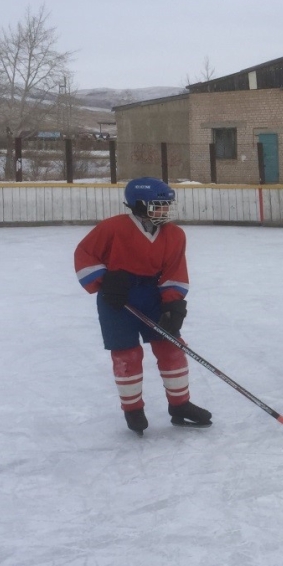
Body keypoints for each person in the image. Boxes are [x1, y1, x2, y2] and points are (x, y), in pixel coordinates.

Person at [74, 177, 212, 436]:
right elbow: (85, 255)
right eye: (159, 205)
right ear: (139, 204)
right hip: (117, 299)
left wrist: (173, 303)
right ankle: (133, 409)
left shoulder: (174, 234)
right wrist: (105, 281)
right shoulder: (112, 227)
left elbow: (174, 271)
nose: (165, 211)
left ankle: (180, 405)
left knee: (172, 347)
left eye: (166, 205)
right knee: (127, 355)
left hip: (152, 296)